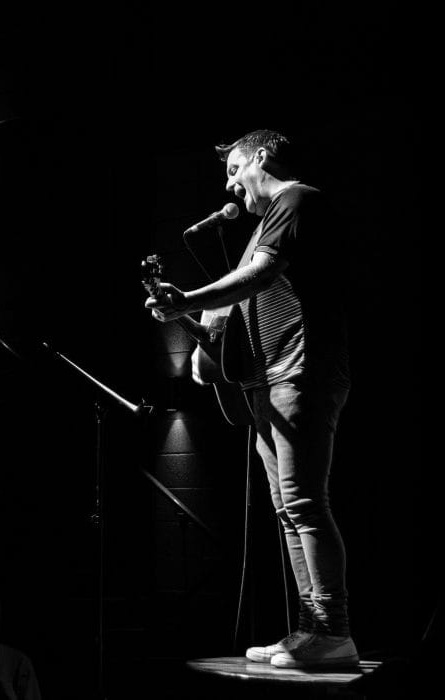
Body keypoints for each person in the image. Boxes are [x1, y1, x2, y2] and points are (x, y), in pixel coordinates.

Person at [145, 129, 357, 669]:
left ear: (262, 157)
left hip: (301, 372)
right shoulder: (264, 223)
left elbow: (260, 275)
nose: (229, 182)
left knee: (305, 503)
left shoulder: (294, 199)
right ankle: (311, 628)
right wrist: (193, 326)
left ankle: (334, 629)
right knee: (288, 510)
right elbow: (233, 320)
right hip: (269, 382)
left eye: (235, 168)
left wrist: (188, 298)